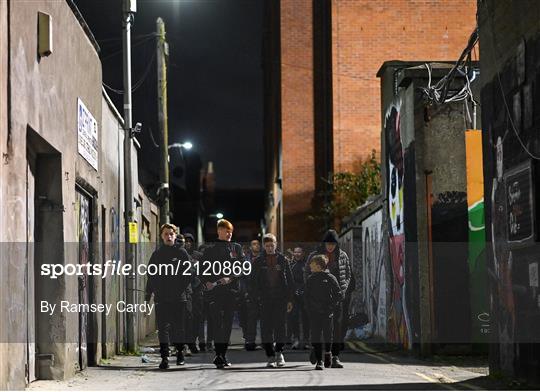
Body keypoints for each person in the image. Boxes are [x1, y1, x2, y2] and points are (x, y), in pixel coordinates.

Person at [145, 223, 192, 369]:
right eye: (166, 234)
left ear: (175, 235)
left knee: (179, 328)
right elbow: (150, 275)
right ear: (161, 236)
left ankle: (179, 354)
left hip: (178, 298)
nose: (169, 236)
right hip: (162, 298)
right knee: (163, 328)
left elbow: (189, 274)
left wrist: (179, 289)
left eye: (171, 234)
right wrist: (150, 295)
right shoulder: (157, 255)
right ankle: (164, 357)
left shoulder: (182, 253)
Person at [200, 219, 244, 368]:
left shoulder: (236, 248)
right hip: (215, 293)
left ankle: (222, 354)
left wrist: (230, 278)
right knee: (217, 324)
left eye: (231, 231)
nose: (229, 233)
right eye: (226, 230)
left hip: (231, 292)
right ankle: (219, 354)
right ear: (219, 231)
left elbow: (242, 268)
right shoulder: (210, 249)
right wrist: (206, 282)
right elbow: (202, 269)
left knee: (227, 325)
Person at [305, 229, 352, 368]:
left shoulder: (342, 255)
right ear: (324, 243)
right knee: (317, 329)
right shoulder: (315, 255)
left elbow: (348, 274)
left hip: (336, 298)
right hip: (318, 299)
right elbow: (307, 274)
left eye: (333, 244)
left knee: (336, 328)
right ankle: (317, 352)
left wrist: (342, 291)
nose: (330, 246)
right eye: (328, 243)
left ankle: (334, 356)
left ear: (337, 244)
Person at [250, 233, 294, 368]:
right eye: (267, 245)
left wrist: (290, 299)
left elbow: (290, 281)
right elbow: (252, 282)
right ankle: (270, 355)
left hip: (280, 299)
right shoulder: (258, 261)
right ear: (264, 246)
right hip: (264, 300)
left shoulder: (283, 260)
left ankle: (279, 352)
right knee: (266, 328)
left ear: (276, 244)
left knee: (280, 327)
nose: (270, 248)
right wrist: (255, 299)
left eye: (272, 245)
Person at [305, 254, 344, 370]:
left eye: (312, 264)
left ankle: (328, 355)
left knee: (328, 336)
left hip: (327, 313)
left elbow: (339, 295)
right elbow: (306, 296)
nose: (310, 267)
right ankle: (319, 361)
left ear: (318, 266)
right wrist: (309, 309)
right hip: (314, 313)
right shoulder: (310, 279)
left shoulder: (330, 278)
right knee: (315, 336)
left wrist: (331, 307)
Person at [241, 239, 261, 351]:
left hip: (262, 292)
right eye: (254, 244)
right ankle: (250, 341)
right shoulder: (246, 260)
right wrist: (245, 291)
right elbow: (243, 277)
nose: (256, 246)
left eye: (258, 244)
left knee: (265, 318)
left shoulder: (263, 258)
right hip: (250, 292)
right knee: (251, 318)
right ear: (250, 247)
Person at [288, 246, 310, 349]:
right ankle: (295, 339)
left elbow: (309, 279)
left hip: (305, 295)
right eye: (295, 252)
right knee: (294, 317)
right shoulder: (290, 265)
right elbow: (288, 280)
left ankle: (306, 340)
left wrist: (303, 289)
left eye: (299, 252)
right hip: (293, 296)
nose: (297, 254)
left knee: (306, 318)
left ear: (303, 253)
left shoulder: (307, 264)